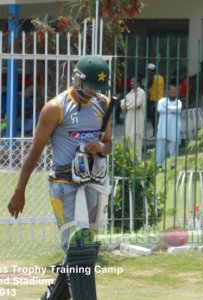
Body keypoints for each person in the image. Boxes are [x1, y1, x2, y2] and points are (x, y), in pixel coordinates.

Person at [7, 55, 112, 300]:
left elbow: (109, 144)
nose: (94, 93)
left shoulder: (103, 104)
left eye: (98, 89)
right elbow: (35, 151)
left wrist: (99, 147)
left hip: (94, 184)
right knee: (78, 247)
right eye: (90, 88)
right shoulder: (56, 108)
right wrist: (19, 189)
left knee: (85, 251)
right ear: (77, 79)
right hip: (65, 185)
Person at [156, 84, 182, 169]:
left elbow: (178, 109)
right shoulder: (161, 101)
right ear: (168, 92)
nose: (174, 93)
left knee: (173, 147)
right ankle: (160, 164)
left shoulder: (178, 102)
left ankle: (173, 164)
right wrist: (172, 109)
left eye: (175, 92)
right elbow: (160, 109)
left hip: (174, 129)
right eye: (173, 92)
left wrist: (167, 107)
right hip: (163, 129)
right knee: (161, 147)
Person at [120, 76, 146, 160]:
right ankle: (132, 162)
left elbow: (136, 104)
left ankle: (138, 164)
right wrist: (130, 105)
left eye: (133, 81)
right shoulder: (130, 93)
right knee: (129, 140)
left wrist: (129, 105)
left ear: (138, 83)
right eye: (131, 81)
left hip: (137, 120)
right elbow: (122, 104)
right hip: (129, 119)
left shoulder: (141, 93)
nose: (131, 83)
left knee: (136, 141)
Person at [147, 63, 165, 137]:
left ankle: (155, 132)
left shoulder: (152, 78)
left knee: (153, 118)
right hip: (161, 99)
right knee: (159, 117)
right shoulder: (161, 77)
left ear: (150, 71)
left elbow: (148, 87)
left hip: (154, 100)